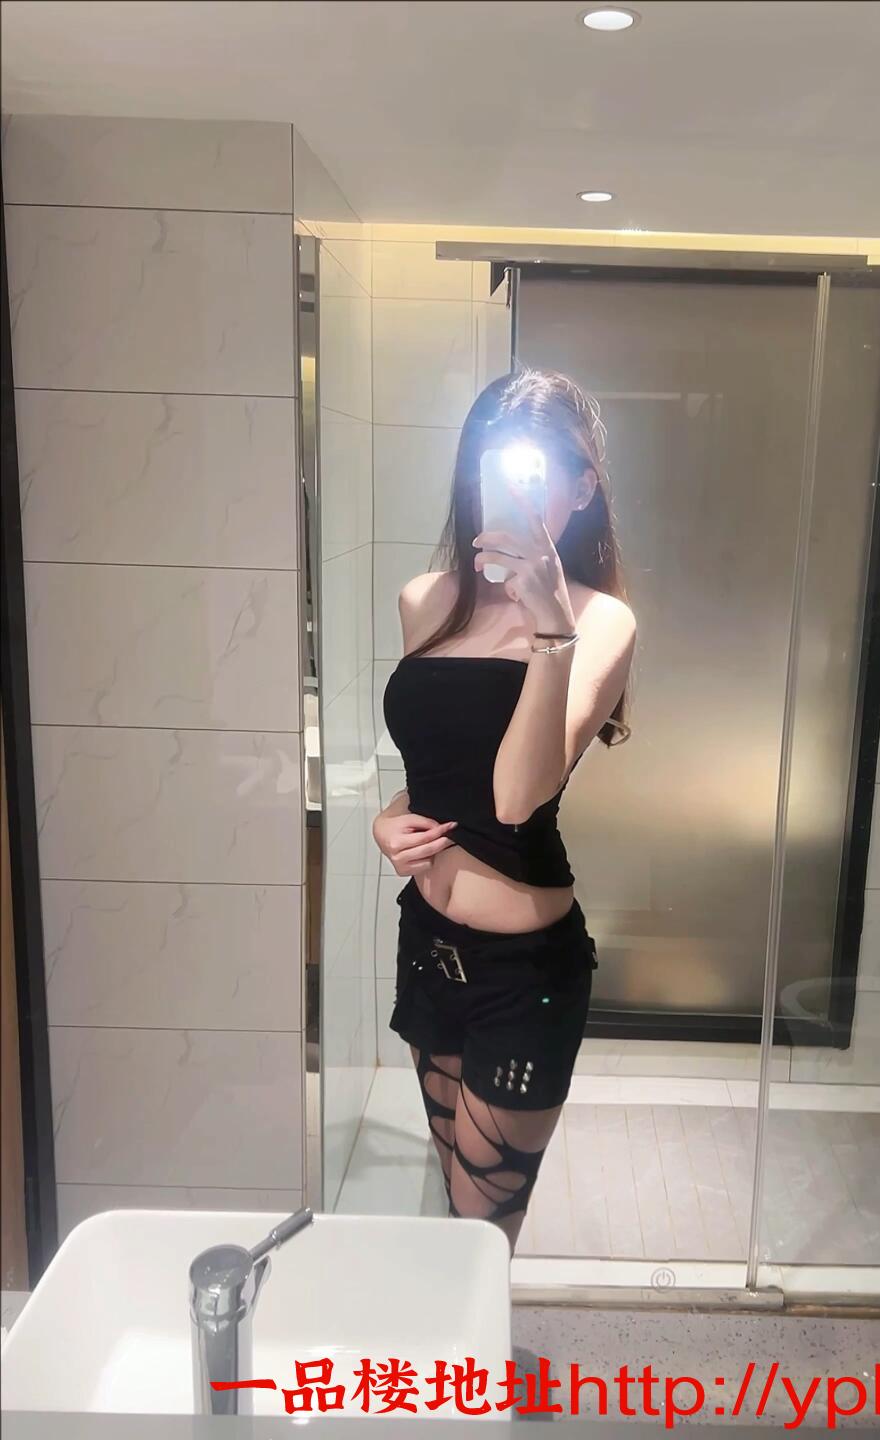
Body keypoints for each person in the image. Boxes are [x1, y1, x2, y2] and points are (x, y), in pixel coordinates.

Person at [375, 368, 636, 1250]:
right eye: (492, 466)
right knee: (451, 1216)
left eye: (536, 471)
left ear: (582, 488)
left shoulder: (601, 622)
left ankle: (472, 1344)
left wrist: (550, 628)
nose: (513, 492)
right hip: (426, 945)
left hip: (524, 974)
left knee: (480, 1233)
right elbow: (440, 769)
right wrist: (388, 815)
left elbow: (519, 798)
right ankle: (456, 1344)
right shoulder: (426, 601)